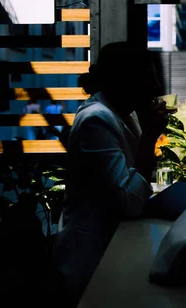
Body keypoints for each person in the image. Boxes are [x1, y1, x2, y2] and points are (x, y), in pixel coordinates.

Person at [54, 41, 173, 306]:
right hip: (92, 258)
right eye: (148, 78)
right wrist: (150, 137)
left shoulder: (122, 113)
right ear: (124, 81)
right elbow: (127, 202)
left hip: (112, 249)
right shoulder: (97, 120)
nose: (156, 87)